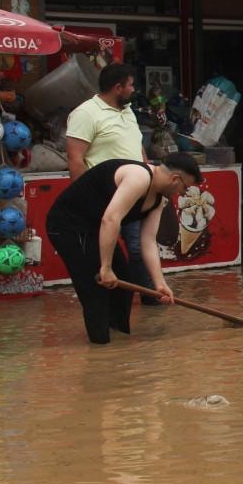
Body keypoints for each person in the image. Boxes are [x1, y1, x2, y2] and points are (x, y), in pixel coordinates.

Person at [45, 154, 203, 344]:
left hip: (95, 229)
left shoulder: (159, 199)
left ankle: (119, 341)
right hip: (68, 225)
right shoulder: (139, 177)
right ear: (175, 179)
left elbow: (148, 241)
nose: (182, 193)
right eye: (185, 188)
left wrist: (159, 283)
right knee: (96, 290)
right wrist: (105, 267)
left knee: (123, 281)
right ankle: (101, 347)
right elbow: (111, 219)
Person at [66, 62, 158, 304]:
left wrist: (148, 176)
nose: (133, 89)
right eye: (130, 85)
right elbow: (75, 159)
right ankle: (112, 301)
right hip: (104, 196)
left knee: (138, 247)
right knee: (107, 251)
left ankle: (150, 299)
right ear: (118, 88)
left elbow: (137, 147)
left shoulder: (127, 111)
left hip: (135, 191)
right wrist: (84, 199)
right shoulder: (85, 113)